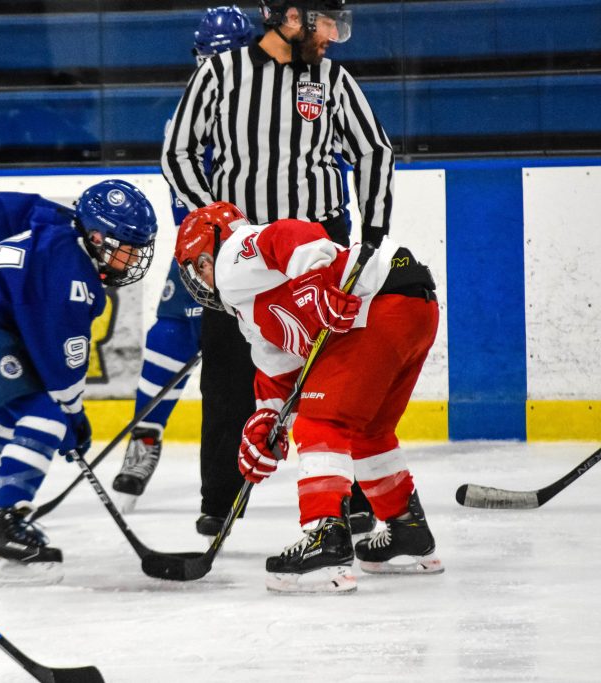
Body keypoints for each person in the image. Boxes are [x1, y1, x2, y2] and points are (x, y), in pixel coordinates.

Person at [161, 0, 392, 536]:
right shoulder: (221, 72)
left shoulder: (332, 77)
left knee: (337, 373)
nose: (335, 33)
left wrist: (370, 236)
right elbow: (178, 153)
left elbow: (374, 151)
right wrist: (220, 221)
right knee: (226, 375)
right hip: (241, 252)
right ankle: (220, 499)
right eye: (328, 20)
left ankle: (350, 496)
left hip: (317, 246)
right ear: (292, 17)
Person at [174, 201, 442, 593]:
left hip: (379, 302)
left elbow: (290, 234)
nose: (200, 278)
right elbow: (276, 371)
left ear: (205, 255)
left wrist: (315, 285)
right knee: (368, 432)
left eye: (197, 266)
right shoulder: (247, 309)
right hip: (412, 306)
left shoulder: (233, 255)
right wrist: (267, 421)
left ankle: (325, 539)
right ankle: (408, 530)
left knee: (320, 422)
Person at [0, 180, 157, 585]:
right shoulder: (72, 278)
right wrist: (74, 415)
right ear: (96, 236)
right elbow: (59, 362)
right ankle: (6, 524)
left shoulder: (62, 234)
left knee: (18, 415)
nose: (131, 259)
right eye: (125, 246)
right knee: (46, 414)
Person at [110, 5, 255, 512]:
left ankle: (334, 464)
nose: (213, 67)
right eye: (207, 56)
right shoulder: (187, 115)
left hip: (266, 251)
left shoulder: (272, 103)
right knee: (171, 332)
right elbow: (183, 200)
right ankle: (144, 437)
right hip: (207, 251)